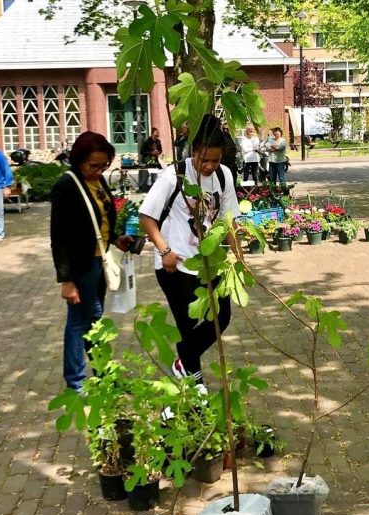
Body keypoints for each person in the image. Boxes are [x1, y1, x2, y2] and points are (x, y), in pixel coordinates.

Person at [139, 116, 240, 385]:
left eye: (215, 160)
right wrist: (164, 251)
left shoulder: (223, 176)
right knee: (187, 325)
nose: (209, 166)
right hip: (175, 263)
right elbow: (146, 216)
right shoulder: (174, 175)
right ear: (193, 151)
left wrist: (239, 258)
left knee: (222, 316)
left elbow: (229, 220)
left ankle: (183, 360)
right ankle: (196, 388)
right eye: (204, 159)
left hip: (209, 261)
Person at [51, 132, 134, 390]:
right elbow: (59, 237)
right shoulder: (67, 185)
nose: (99, 170)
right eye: (93, 165)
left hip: (100, 260)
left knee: (94, 318)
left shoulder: (97, 181)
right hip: (81, 265)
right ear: (79, 160)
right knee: (79, 321)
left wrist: (115, 239)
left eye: (104, 165)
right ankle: (76, 383)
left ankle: (103, 375)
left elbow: (101, 220)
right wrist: (66, 280)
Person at [138, 127, 163, 192]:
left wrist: (158, 152)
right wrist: (151, 153)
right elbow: (142, 152)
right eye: (155, 136)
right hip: (147, 161)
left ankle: (154, 189)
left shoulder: (158, 141)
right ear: (151, 134)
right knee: (145, 176)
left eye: (157, 136)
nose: (156, 137)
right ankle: (143, 189)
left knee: (154, 176)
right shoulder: (146, 141)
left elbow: (160, 150)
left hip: (155, 161)